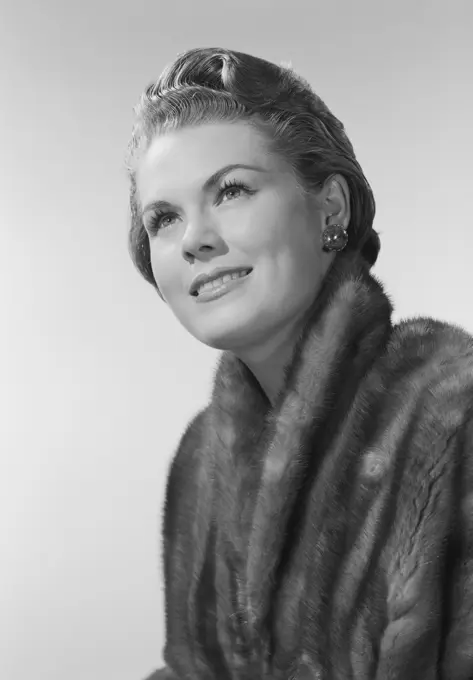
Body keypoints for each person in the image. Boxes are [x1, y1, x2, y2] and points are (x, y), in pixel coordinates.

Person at [126, 47, 473, 680]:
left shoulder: (455, 414)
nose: (194, 238)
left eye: (231, 190)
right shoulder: (201, 462)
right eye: (164, 217)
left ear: (331, 210)